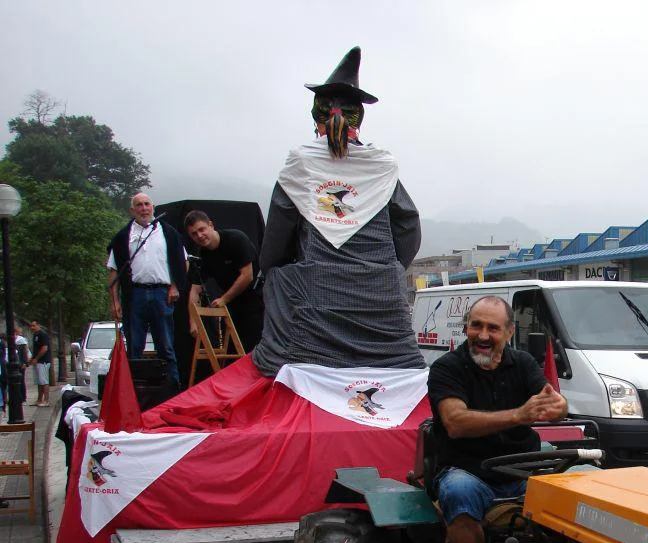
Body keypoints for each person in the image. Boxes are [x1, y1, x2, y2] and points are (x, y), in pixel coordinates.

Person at [251, 46, 424, 376]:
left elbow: (276, 241)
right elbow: (408, 226)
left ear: (316, 114)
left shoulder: (302, 164)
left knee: (277, 279)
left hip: (315, 294)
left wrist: (272, 269)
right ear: (359, 115)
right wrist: (381, 269)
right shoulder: (380, 166)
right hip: (380, 298)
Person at [427, 296, 567, 543]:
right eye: (476, 326)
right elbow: (455, 422)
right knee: (458, 492)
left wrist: (558, 406)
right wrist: (518, 415)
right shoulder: (447, 368)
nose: (482, 336)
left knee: (584, 486)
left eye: (492, 328)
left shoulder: (523, 363)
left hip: (522, 470)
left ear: (509, 332)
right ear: (465, 327)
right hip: (468, 470)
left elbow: (554, 403)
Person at [106, 193, 188, 389]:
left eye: (146, 204)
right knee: (134, 346)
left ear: (153, 207)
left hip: (162, 294)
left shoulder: (169, 233)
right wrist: (114, 301)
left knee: (166, 346)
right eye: (139, 205)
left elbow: (183, 262)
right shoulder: (122, 237)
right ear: (132, 210)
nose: (143, 208)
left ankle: (171, 389)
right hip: (134, 295)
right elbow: (114, 271)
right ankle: (134, 391)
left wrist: (175, 286)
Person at [183, 210, 265, 352]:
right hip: (231, 305)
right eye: (194, 234)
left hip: (255, 299)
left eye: (202, 230)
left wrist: (224, 299)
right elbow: (195, 290)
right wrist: (193, 321)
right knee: (231, 350)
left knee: (254, 348)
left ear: (210, 225)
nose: (200, 236)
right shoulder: (202, 255)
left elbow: (247, 276)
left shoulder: (236, 239)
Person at [27, 320, 51, 406]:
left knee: (44, 381)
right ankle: (39, 400)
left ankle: (46, 400)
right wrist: (32, 359)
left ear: (38, 325)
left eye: (34, 325)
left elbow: (44, 348)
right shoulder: (35, 335)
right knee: (39, 382)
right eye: (31, 326)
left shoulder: (43, 335)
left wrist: (36, 358)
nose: (32, 328)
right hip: (37, 361)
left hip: (43, 361)